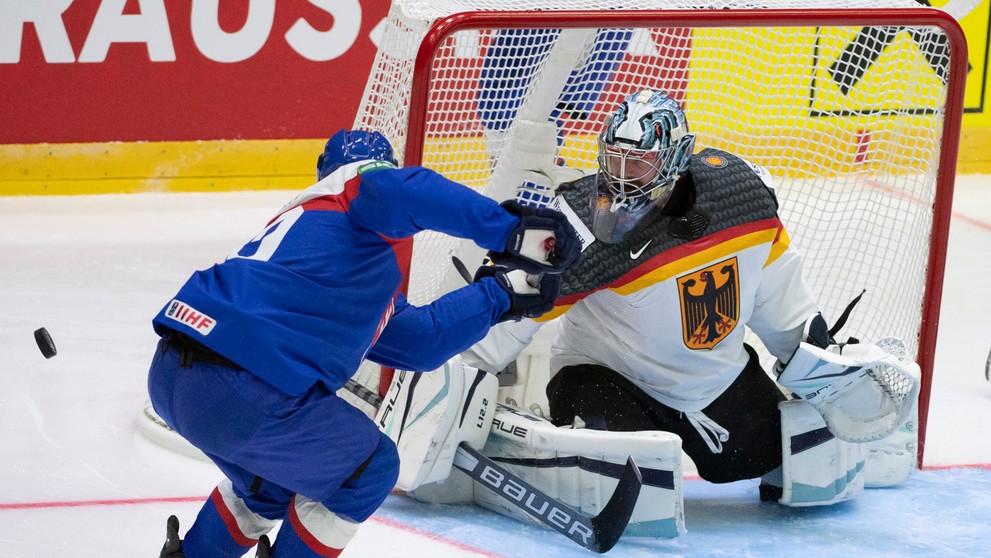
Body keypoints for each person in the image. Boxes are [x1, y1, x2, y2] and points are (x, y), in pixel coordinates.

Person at [461, 89, 918, 498]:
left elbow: (776, 293)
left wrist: (816, 358)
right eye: (614, 160)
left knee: (779, 453)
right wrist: (462, 371)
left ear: (676, 160)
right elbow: (520, 306)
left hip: (712, 382)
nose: (621, 177)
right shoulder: (579, 220)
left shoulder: (742, 197)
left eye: (638, 163)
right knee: (619, 474)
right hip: (607, 376)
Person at [148, 129, 580, 558]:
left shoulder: (327, 251)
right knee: (369, 470)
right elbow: (405, 191)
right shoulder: (349, 190)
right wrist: (513, 231)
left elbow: (419, 342)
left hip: (175, 378)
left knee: (269, 486)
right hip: (244, 384)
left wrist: (501, 294)